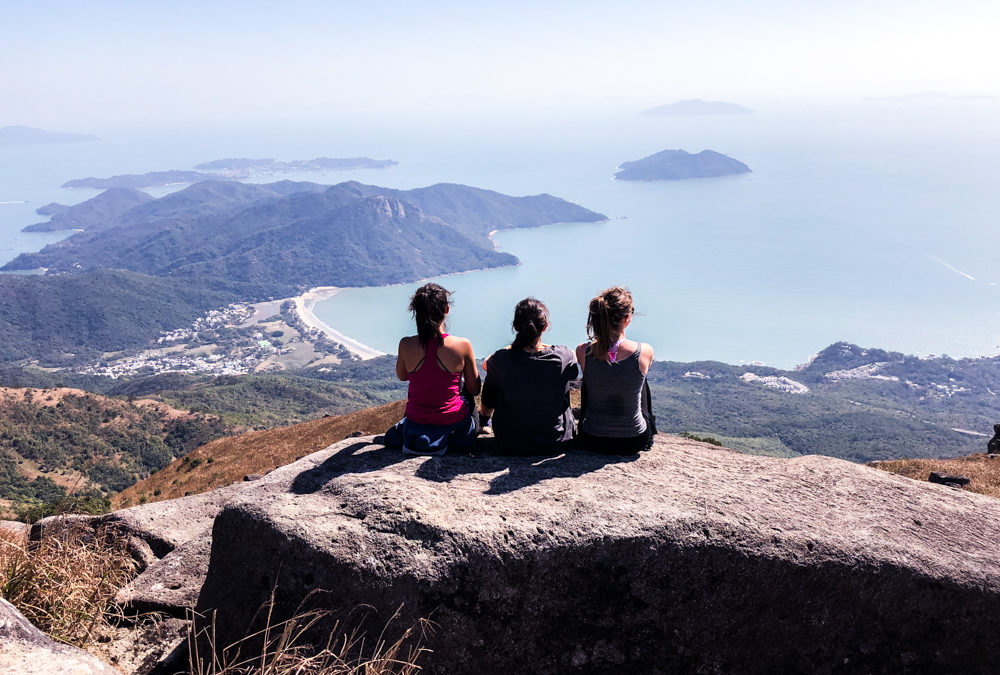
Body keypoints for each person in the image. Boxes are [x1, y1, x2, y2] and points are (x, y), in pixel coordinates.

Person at [384, 283, 480, 455]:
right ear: (447, 309)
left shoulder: (406, 344)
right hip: (454, 425)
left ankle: (420, 436)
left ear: (417, 312)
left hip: (415, 420)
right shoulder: (462, 345)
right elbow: (474, 389)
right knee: (467, 397)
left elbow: (402, 376)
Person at [480, 298, 579, 455]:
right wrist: (543, 347)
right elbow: (576, 356)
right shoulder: (562, 356)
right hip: (556, 441)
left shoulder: (503, 359)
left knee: (494, 382)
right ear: (545, 327)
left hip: (511, 443)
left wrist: (511, 348)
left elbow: (486, 364)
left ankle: (483, 420)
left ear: (515, 327)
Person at [575, 286, 656, 454]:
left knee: (590, 376)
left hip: (592, 438)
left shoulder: (583, 351)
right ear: (627, 318)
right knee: (640, 375)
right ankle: (651, 438)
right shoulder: (644, 350)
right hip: (633, 440)